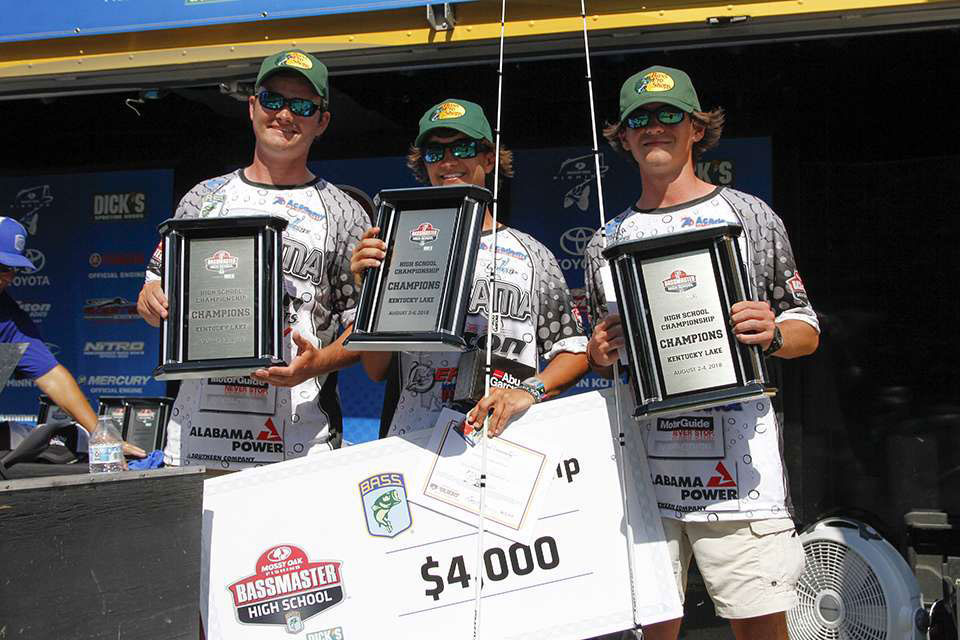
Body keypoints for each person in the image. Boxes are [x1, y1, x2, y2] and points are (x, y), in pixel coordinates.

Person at [583, 66, 819, 640]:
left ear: (696, 128)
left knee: (760, 629)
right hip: (643, 479)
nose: (654, 128)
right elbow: (601, 359)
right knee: (648, 629)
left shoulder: (750, 215)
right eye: (640, 118)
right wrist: (599, 352)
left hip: (739, 478)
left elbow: (806, 329)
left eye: (669, 115)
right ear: (623, 136)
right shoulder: (604, 242)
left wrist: (775, 332)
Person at [137, 49, 367, 468]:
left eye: (302, 105)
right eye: (273, 100)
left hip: (298, 439)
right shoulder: (204, 199)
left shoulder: (345, 212)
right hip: (197, 436)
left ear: (322, 121)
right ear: (252, 106)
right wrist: (151, 296)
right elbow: (155, 292)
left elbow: (366, 330)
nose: (284, 114)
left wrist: (315, 365)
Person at [350, 99, 589, 438]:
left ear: (489, 158)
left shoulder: (531, 254)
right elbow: (376, 370)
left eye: (462, 148)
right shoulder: (400, 246)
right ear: (423, 165)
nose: (448, 161)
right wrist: (371, 289)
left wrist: (530, 391)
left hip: (501, 438)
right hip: (414, 440)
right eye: (435, 153)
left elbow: (575, 352)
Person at [0, 216, 146, 457]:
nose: (8, 276)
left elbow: (52, 377)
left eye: (13, 269)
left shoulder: (9, 318)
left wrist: (101, 434)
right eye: (1, 266)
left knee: (62, 443)